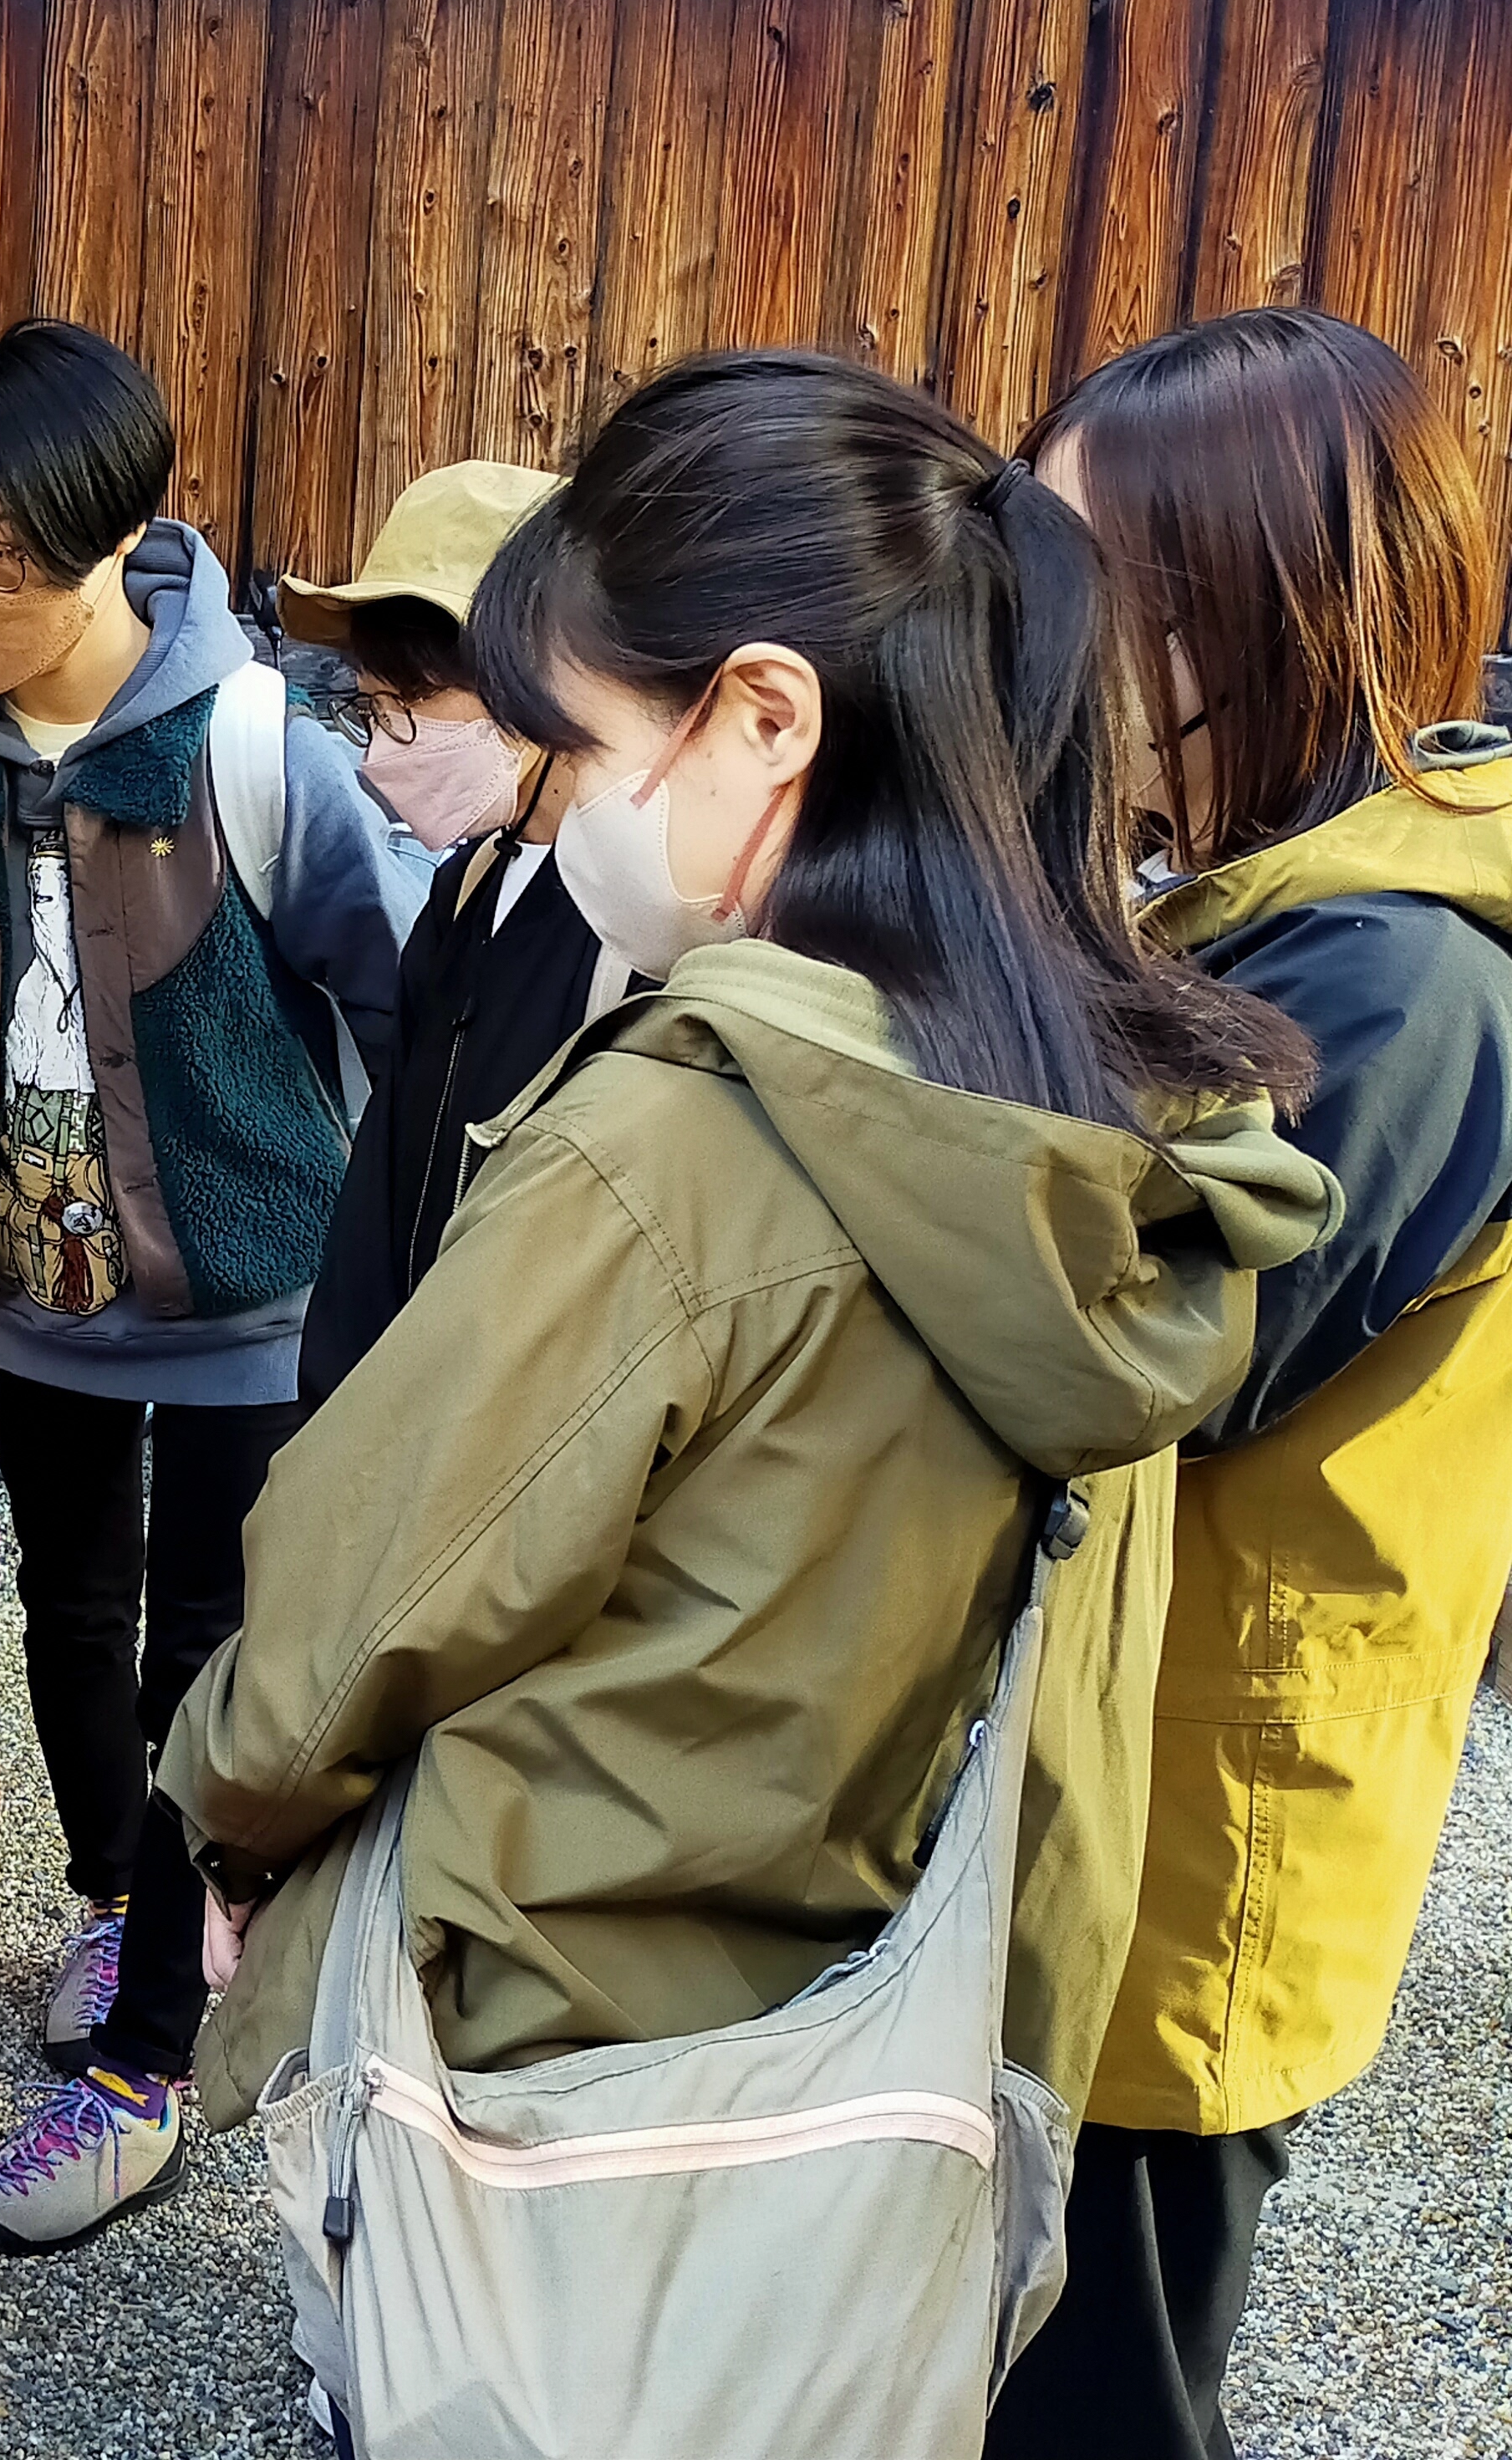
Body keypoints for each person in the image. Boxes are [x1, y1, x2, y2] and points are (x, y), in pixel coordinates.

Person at [156, 353, 1335, 2315]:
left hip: (565, 2056)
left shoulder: (683, 1134)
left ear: (760, 715)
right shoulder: (1110, 1119)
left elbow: (356, 1606)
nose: (561, 802)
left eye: (581, 736)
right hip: (876, 2072)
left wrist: (228, 1814)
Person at [0, 318, 423, 2252]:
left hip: (251, 1284)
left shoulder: (250, 742)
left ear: (105, 538)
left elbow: (390, 990)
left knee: (210, 1641)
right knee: (70, 1605)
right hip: (29, 1281)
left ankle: (149, 2055)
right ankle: (111, 1900)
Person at [989, 309, 1512, 2460]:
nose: (1048, 634)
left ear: (1261, 607)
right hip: (1120, 1785)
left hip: (1200, 1838)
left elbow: (1132, 1356)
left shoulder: (1398, 971)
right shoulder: (1259, 894)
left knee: (1100, 2392)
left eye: (1090, 585)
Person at [271, 460, 637, 1408]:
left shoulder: (633, 931)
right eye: (370, 707)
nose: (387, 743)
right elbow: (386, 1175)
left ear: (540, 683)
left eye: (416, 704)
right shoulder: (466, 884)